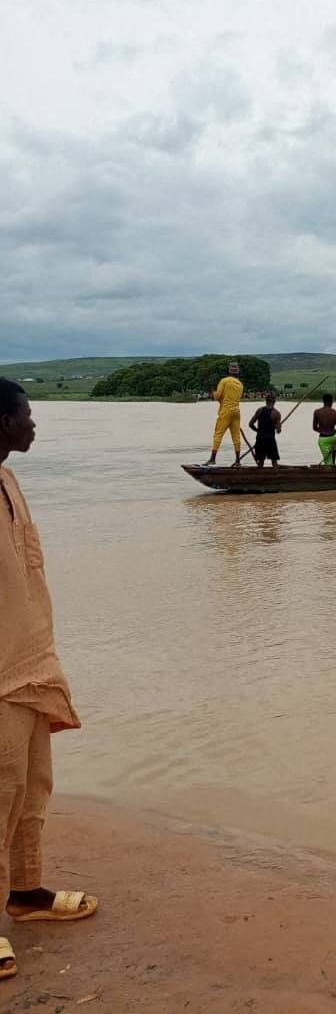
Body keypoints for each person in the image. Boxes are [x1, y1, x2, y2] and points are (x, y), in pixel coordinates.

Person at [0, 380, 99, 985]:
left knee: (31, 785)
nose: (33, 425)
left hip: (28, 663)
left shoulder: (9, 479)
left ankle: (25, 890)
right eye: (26, 415)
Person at [205, 360, 244, 466]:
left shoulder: (224, 381)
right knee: (236, 437)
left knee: (218, 435)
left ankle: (212, 459)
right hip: (236, 412)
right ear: (237, 373)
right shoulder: (240, 384)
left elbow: (217, 396)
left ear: (229, 371)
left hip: (226, 411)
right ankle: (237, 461)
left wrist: (213, 391)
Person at [247, 393, 282, 468]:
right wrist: (277, 426)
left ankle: (259, 476)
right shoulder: (276, 413)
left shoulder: (259, 410)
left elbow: (250, 424)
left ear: (266, 401)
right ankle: (276, 477)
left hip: (260, 439)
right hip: (270, 440)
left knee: (260, 462)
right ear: (274, 402)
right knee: (274, 462)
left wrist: (257, 431)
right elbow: (279, 431)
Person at [312, 394, 336, 466]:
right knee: (332, 459)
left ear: (323, 401)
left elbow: (314, 427)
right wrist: (333, 432)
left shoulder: (317, 412)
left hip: (323, 439)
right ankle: (333, 469)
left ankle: (329, 472)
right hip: (333, 438)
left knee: (328, 462)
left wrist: (322, 430)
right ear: (331, 402)